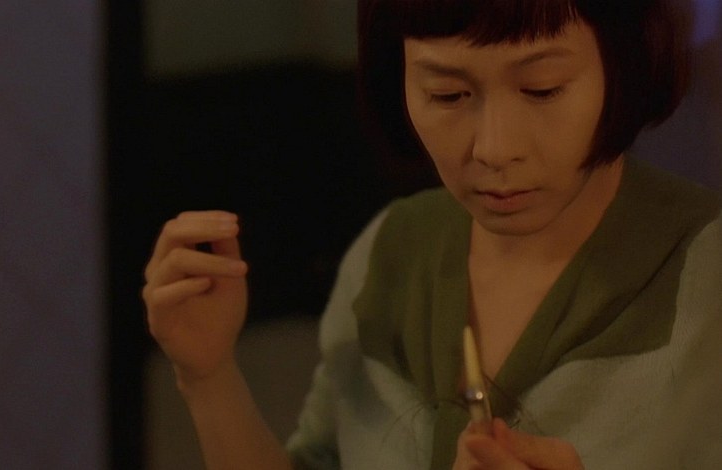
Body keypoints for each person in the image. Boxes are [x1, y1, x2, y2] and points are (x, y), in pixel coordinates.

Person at [142, 0, 722, 468]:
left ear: (625, 63)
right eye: (448, 94)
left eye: (542, 88)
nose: (494, 149)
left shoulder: (705, 272)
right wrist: (208, 376)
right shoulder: (389, 251)